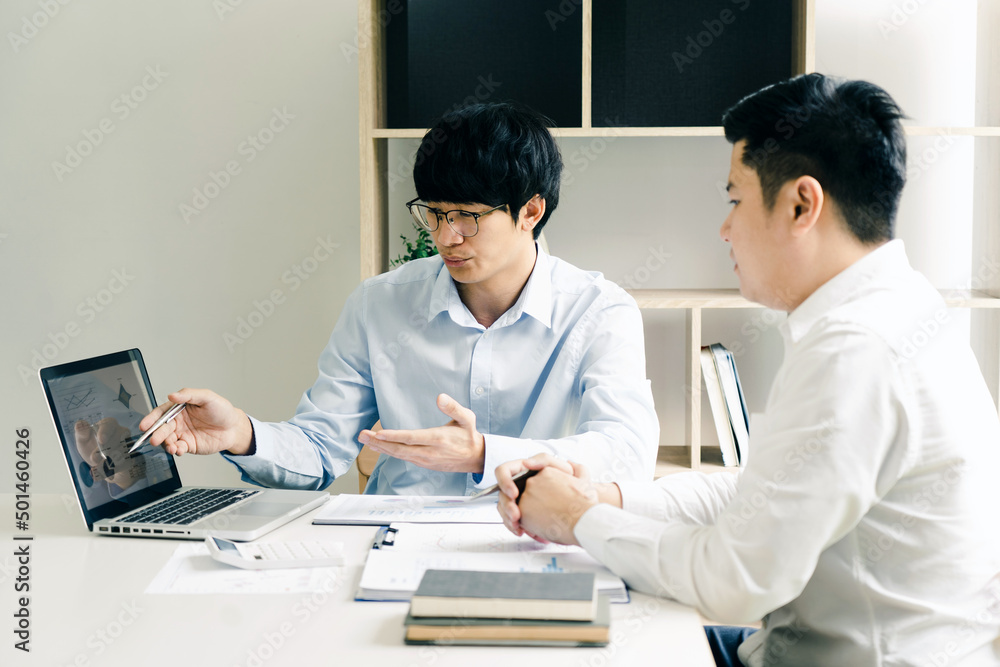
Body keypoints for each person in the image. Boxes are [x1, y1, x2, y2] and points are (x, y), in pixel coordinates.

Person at [495, 74, 1000, 666]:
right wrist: (602, 496)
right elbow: (761, 491)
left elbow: (734, 579)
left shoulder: (857, 350)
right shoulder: (899, 310)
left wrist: (579, 518)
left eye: (735, 199)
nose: (725, 228)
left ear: (801, 204)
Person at [139, 102, 659, 495]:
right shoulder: (378, 305)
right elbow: (321, 451)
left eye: (467, 216)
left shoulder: (598, 312)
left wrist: (483, 454)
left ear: (530, 211)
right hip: (393, 537)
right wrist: (243, 434)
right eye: (433, 212)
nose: (445, 235)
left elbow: (627, 454)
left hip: (532, 534)